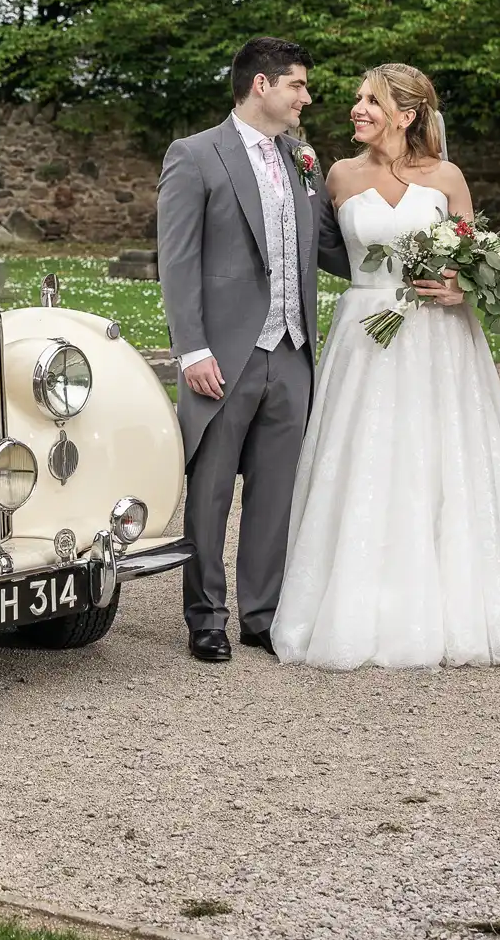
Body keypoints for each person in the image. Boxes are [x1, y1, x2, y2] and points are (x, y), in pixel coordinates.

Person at [271, 64, 500, 669]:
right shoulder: (334, 175)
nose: (356, 108)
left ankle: (456, 607)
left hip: (438, 338)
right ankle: (355, 604)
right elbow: (321, 249)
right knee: (363, 458)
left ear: (406, 116)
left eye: (371, 101)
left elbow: (474, 257)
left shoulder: (447, 178)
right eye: (358, 99)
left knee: (442, 457)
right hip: (364, 333)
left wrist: (462, 286)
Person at [157, 37, 352, 663]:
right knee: (210, 490)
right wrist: (191, 350)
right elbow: (178, 259)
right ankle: (206, 617)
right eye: (298, 84)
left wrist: (407, 254)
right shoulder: (194, 155)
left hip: (292, 351)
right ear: (262, 85)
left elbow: (329, 247)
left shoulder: (302, 157)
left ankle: (261, 615)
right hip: (224, 353)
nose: (307, 97)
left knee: (276, 492)